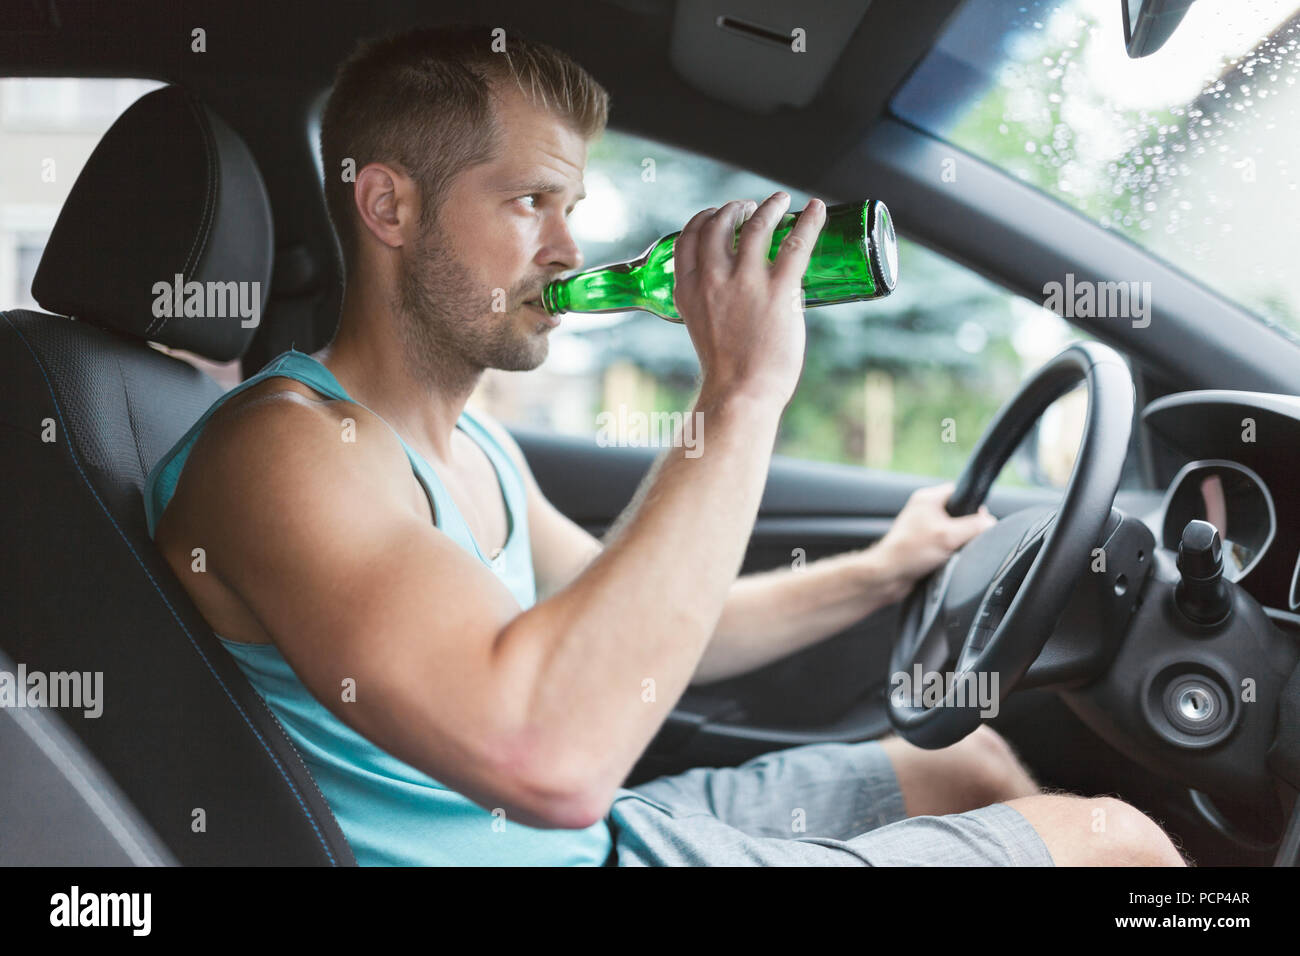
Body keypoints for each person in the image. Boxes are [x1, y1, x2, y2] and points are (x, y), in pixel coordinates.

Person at [145, 24, 1186, 866]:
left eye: (572, 206)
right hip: (566, 835)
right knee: (1118, 841)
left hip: (601, 840)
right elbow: (547, 755)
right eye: (526, 201)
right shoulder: (283, 451)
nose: (567, 248)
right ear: (389, 205)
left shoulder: (475, 450)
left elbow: (662, 636)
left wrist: (879, 571)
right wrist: (739, 391)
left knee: (969, 759)